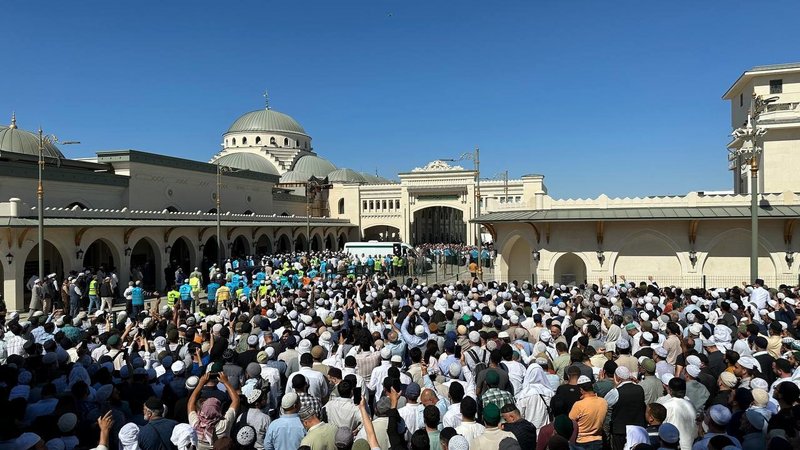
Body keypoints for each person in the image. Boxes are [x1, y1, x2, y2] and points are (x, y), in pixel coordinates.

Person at [188, 372, 240, 449]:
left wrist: (201, 383)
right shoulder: (224, 425)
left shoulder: (196, 424)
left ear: (202, 410)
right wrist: (225, 382)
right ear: (218, 411)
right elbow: (236, 400)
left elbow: (190, 403)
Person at [568, 375, 606, 450]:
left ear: (581, 390)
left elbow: (570, 422)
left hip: (581, 442)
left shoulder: (579, 405)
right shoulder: (603, 402)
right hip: (598, 441)